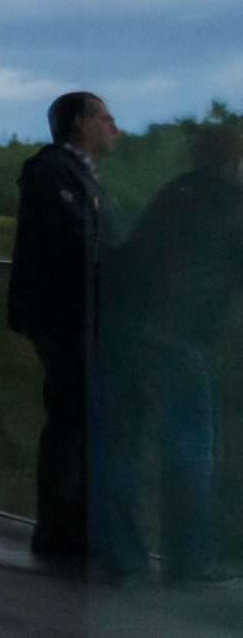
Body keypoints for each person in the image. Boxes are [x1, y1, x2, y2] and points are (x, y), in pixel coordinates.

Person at [92, 121, 241, 584]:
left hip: (119, 328)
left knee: (118, 448)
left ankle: (122, 560)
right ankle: (189, 560)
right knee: (190, 447)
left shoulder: (174, 192)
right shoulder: (235, 205)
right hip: (172, 336)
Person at [6, 90, 123, 563]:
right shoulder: (53, 172)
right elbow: (78, 239)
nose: (114, 128)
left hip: (65, 315)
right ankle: (61, 532)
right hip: (64, 317)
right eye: (105, 118)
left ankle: (67, 528)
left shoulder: (69, 175)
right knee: (71, 419)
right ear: (80, 123)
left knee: (72, 418)